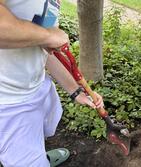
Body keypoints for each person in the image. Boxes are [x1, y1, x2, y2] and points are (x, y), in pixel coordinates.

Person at [0, 0, 104, 167]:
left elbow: (44, 49)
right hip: (8, 104)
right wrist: (48, 35)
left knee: (39, 133)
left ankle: (36, 153)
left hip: (36, 86)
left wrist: (75, 90)